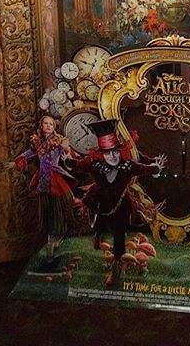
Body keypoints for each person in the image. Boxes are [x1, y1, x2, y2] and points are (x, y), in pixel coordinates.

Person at [69, 119, 166, 286]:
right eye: (108, 154)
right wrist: (67, 161)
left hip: (120, 205)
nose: (113, 157)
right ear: (101, 154)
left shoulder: (127, 165)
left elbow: (143, 168)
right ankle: (97, 237)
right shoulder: (95, 164)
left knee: (119, 232)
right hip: (99, 202)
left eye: (115, 152)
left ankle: (116, 265)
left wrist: (155, 168)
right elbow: (79, 164)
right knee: (99, 225)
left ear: (120, 151)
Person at [3, 115, 78, 267]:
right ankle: (52, 240)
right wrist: (14, 163)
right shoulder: (37, 142)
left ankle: (58, 236)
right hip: (43, 180)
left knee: (64, 203)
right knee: (48, 209)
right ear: (41, 126)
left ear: (54, 127)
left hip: (56, 178)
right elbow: (28, 154)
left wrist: (66, 149)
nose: (48, 126)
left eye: (51, 124)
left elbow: (68, 157)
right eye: (46, 123)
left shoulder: (59, 140)